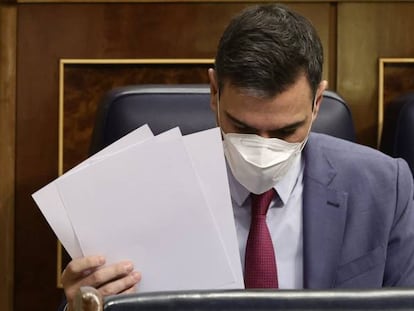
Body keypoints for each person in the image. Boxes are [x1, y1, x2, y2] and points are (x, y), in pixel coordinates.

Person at [59, 3, 414, 310]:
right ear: (214, 92)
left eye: (284, 132)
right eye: (243, 127)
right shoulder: (136, 189)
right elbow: (95, 299)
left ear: (317, 103)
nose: (263, 147)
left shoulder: (385, 187)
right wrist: (81, 307)